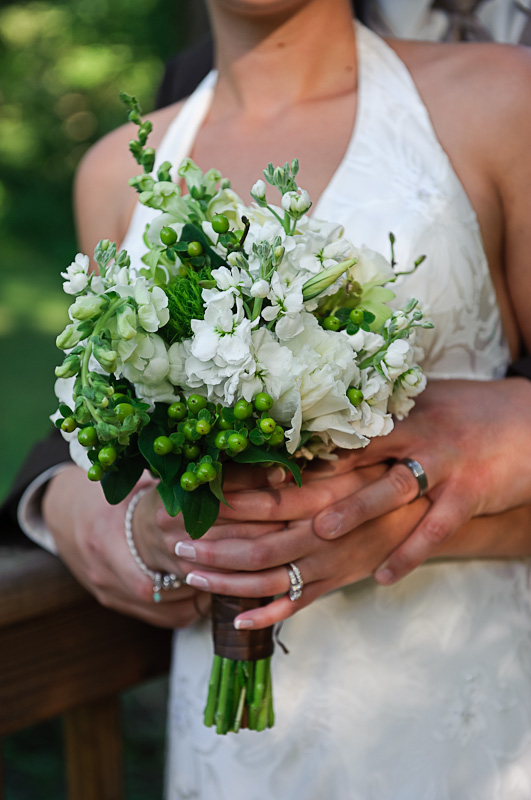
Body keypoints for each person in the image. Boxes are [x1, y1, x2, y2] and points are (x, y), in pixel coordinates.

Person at [37, 0, 531, 796]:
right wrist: (143, 530)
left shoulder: (504, 102)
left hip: (459, 707)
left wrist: (391, 520)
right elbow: (105, 438)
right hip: (230, 729)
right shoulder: (112, 171)